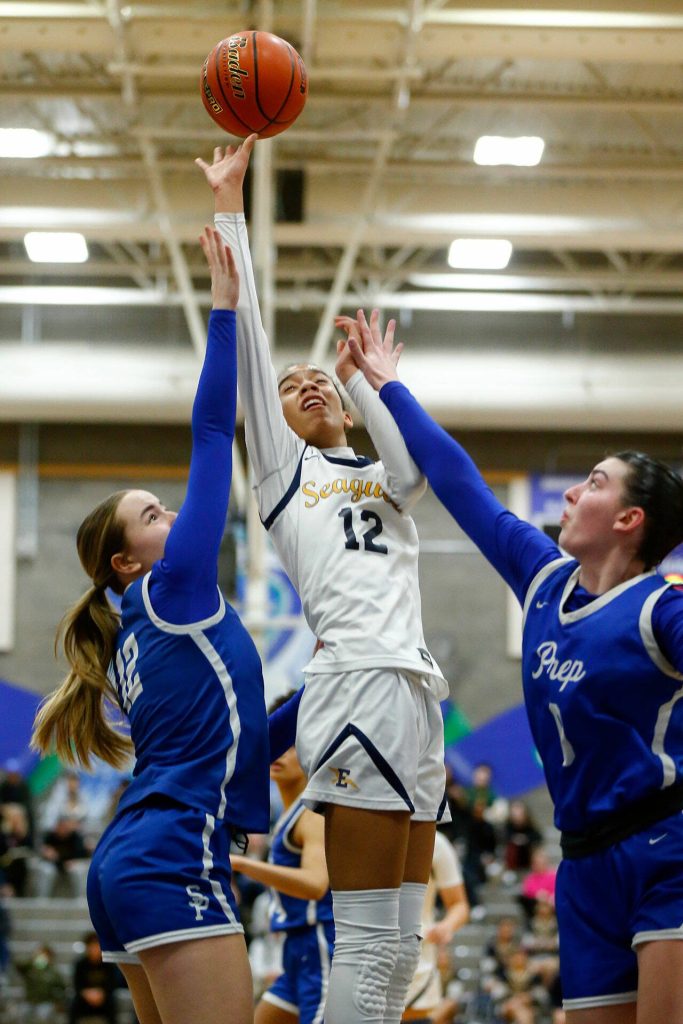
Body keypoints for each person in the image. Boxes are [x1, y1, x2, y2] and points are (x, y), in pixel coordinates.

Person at [345, 308, 683, 1023]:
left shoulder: (664, 611)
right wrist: (388, 387)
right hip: (583, 863)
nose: (569, 492)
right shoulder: (542, 580)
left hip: (667, 848)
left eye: (592, 482)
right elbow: (459, 482)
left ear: (629, 521)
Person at [197, 137, 449, 1024]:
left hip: (418, 696)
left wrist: (366, 385)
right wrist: (231, 204)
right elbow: (253, 346)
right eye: (292, 386)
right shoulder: (281, 480)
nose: (302, 385)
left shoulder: (383, 477)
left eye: (319, 381)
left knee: (393, 953)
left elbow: (419, 474)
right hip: (355, 685)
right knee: (364, 937)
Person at [31, 227, 270, 1024]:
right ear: (126, 562)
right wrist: (224, 306)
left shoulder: (137, 632)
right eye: (152, 514)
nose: (171, 511)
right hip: (170, 857)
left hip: (131, 859)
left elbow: (238, 731)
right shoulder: (172, 590)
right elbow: (211, 435)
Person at [231, 692, 334, 1024]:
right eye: (278, 740)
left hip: (320, 944)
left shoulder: (313, 813)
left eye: (291, 744)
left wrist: (242, 864)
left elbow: (316, 884)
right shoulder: (287, 813)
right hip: (294, 952)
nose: (280, 752)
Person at [402, 830, 469, 1023]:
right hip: (368, 953)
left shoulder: (435, 843)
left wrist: (446, 927)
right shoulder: (367, 830)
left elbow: (459, 905)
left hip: (417, 960)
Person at [69, 932, 117, 1024]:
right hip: (85, 998)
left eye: (97, 946)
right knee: (73, 1005)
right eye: (92, 946)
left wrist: (101, 993)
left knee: (112, 1004)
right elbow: (77, 984)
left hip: (103, 998)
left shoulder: (109, 964)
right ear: (87, 948)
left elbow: (112, 984)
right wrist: (87, 994)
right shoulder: (80, 964)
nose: (95, 949)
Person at [16, 943, 67, 1023]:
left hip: (45, 1002)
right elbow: (18, 966)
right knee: (23, 1014)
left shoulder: (53, 972)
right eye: (40, 954)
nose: (42, 957)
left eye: (45, 955)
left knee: (43, 1016)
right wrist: (32, 960)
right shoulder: (30, 968)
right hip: (29, 1001)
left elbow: (61, 988)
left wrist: (57, 1001)